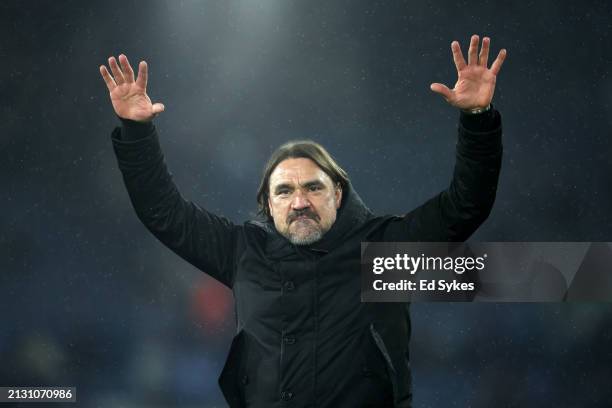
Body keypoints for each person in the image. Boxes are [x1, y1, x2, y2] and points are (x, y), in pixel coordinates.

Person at [100, 34, 506, 408]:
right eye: (284, 191)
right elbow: (163, 213)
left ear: (339, 194)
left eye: (313, 188)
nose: (299, 202)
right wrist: (136, 131)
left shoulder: (381, 250)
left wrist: (478, 119)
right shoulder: (244, 252)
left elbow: (466, 206)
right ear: (267, 204)